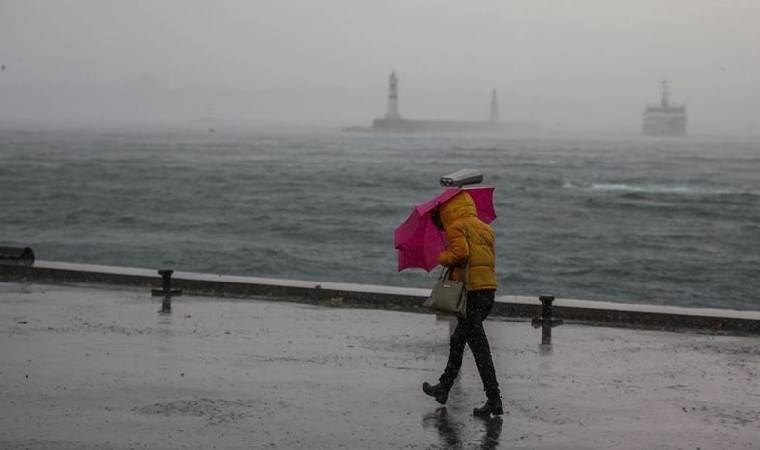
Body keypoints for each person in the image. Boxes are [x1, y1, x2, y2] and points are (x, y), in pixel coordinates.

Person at [423, 191, 503, 416]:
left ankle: (494, 399)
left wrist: (442, 257)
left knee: (478, 348)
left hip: (471, 294)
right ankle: (444, 387)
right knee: (459, 340)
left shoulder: (456, 227)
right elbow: (482, 258)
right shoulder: (485, 228)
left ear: (447, 211)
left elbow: (461, 253)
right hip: (487, 291)